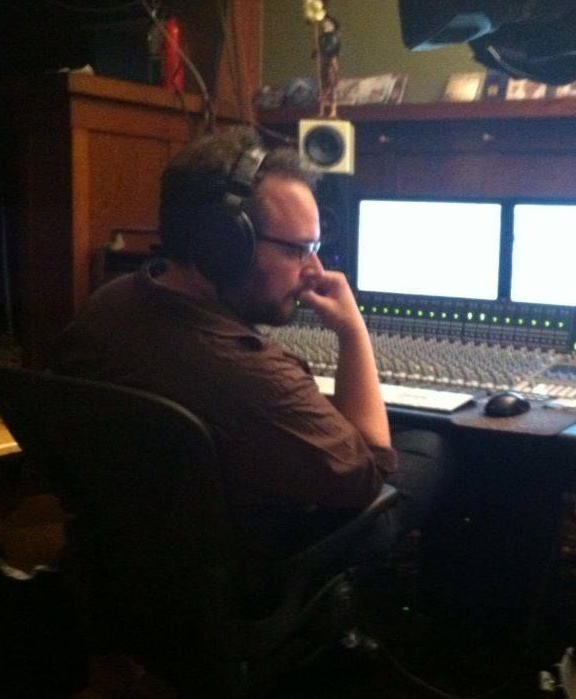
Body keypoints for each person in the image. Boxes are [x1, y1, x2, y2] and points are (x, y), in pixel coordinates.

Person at [51, 126, 452, 600]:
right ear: (224, 245)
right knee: (426, 446)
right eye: (295, 250)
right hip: (246, 586)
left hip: (118, 571)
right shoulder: (252, 375)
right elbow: (370, 473)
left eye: (315, 249)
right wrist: (352, 331)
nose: (315, 272)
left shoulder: (108, 304)